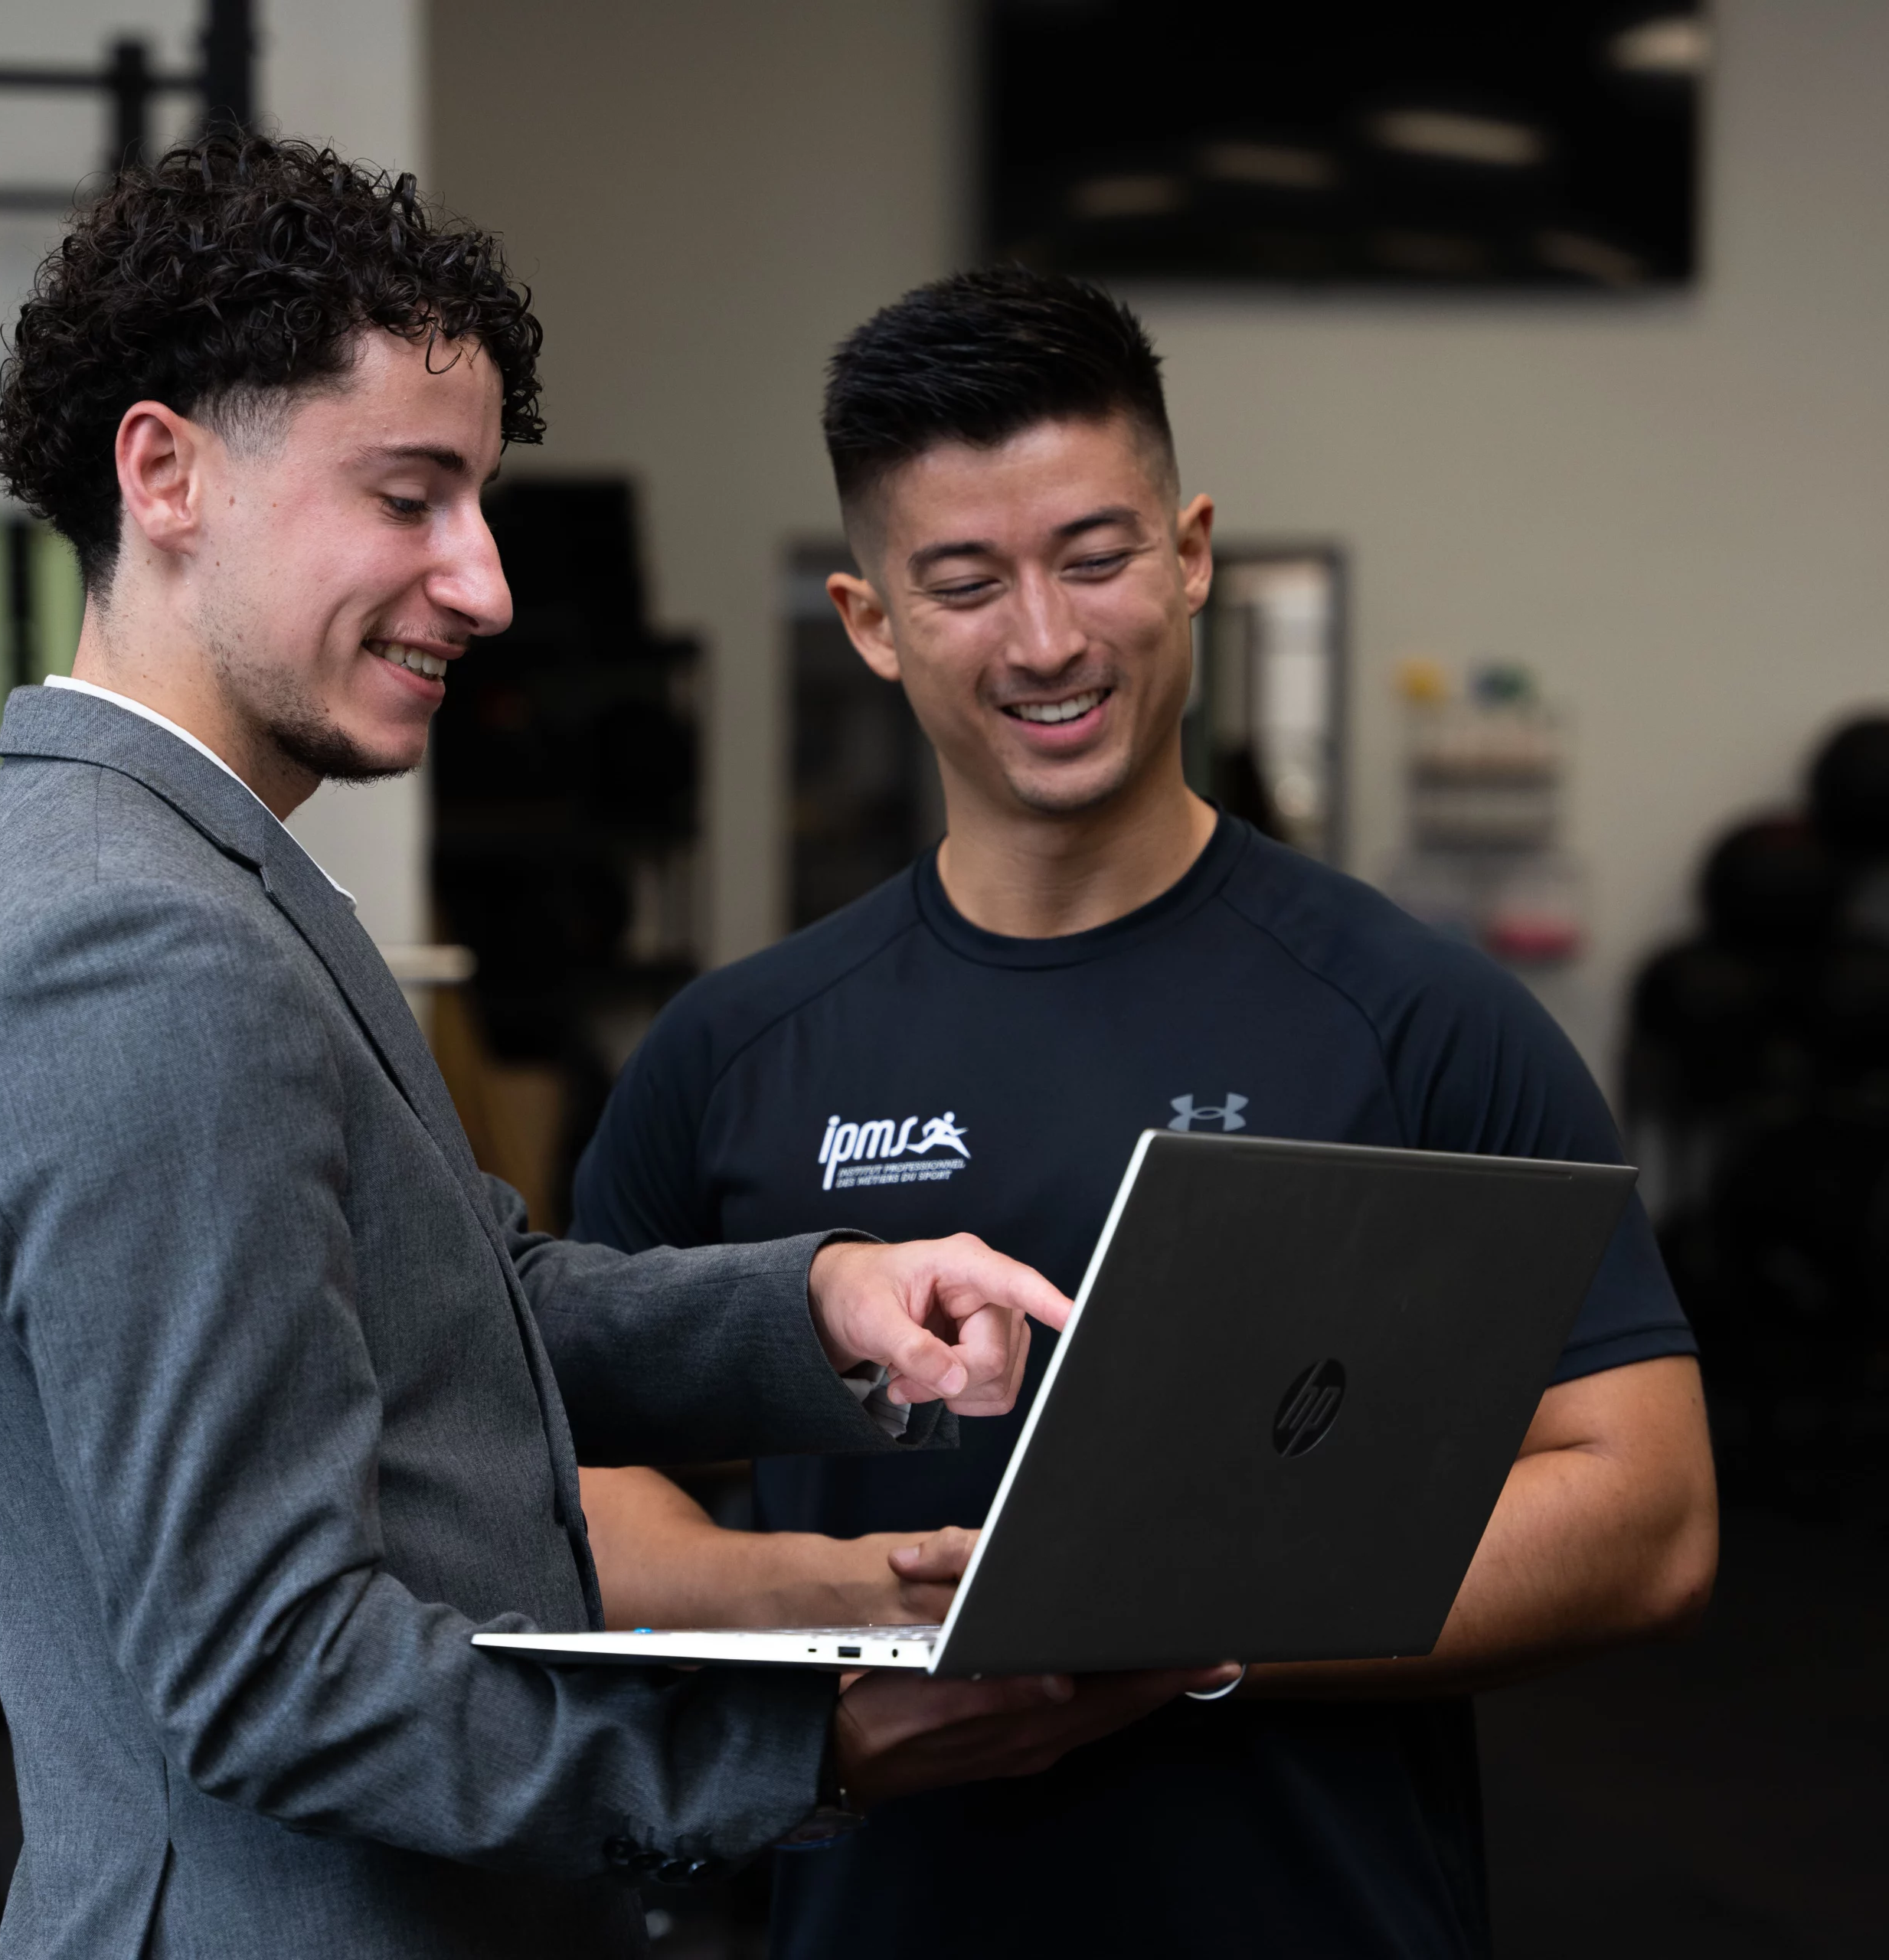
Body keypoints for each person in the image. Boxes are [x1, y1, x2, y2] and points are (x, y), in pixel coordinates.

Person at [0, 148, 1231, 1960]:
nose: (484, 583)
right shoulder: (128, 943)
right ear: (165, 473)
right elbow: (274, 1670)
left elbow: (458, 1308)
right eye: (410, 497)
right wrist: (809, 1736)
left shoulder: (189, 874)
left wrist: (823, 1301)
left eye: (479, 501)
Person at [570, 267, 1720, 1958]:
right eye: (961, 582)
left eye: (1094, 557)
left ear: (1188, 555)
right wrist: (868, 1600)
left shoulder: (1414, 1018)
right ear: (869, 619)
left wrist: (1160, 1621)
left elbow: (1648, 1510)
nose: (1045, 639)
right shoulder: (735, 1051)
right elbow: (573, 1494)